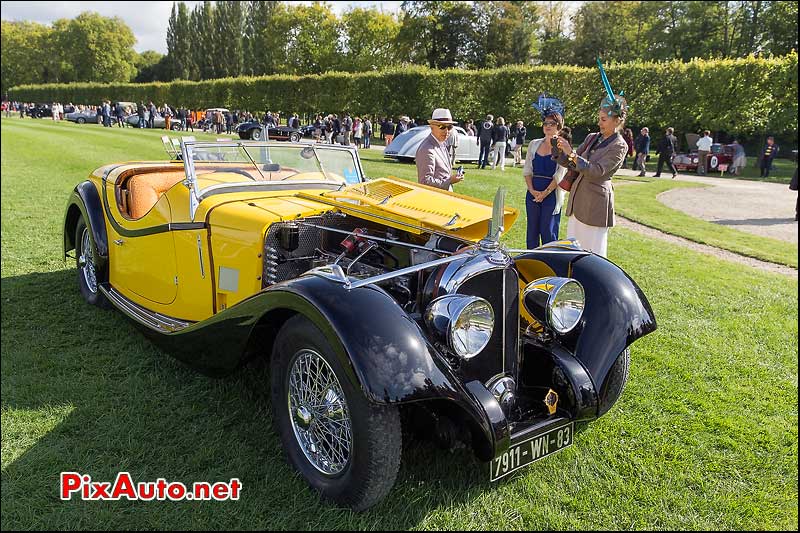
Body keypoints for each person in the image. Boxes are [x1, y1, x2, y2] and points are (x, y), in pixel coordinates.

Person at [555, 60, 629, 258]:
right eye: (599, 118)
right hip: (578, 201)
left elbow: (596, 171)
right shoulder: (591, 138)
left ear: (617, 121)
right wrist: (560, 152)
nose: (599, 123)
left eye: (604, 120)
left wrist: (572, 153)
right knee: (572, 250)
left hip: (596, 205)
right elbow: (574, 163)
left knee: (592, 253)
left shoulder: (620, 146)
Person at [523, 94, 569, 248]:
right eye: (545, 123)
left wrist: (544, 194)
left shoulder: (563, 147)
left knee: (548, 232)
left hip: (551, 195)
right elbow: (527, 170)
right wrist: (532, 190)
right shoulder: (534, 144)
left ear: (559, 126)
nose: (548, 126)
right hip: (533, 192)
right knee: (532, 232)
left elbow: (559, 175)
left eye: (552, 123)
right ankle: (531, 264)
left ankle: (549, 265)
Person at [415, 108, 464, 191]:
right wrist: (449, 181)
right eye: (442, 126)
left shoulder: (441, 143)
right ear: (432, 127)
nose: (446, 131)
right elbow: (424, 181)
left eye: (449, 127)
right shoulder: (427, 149)